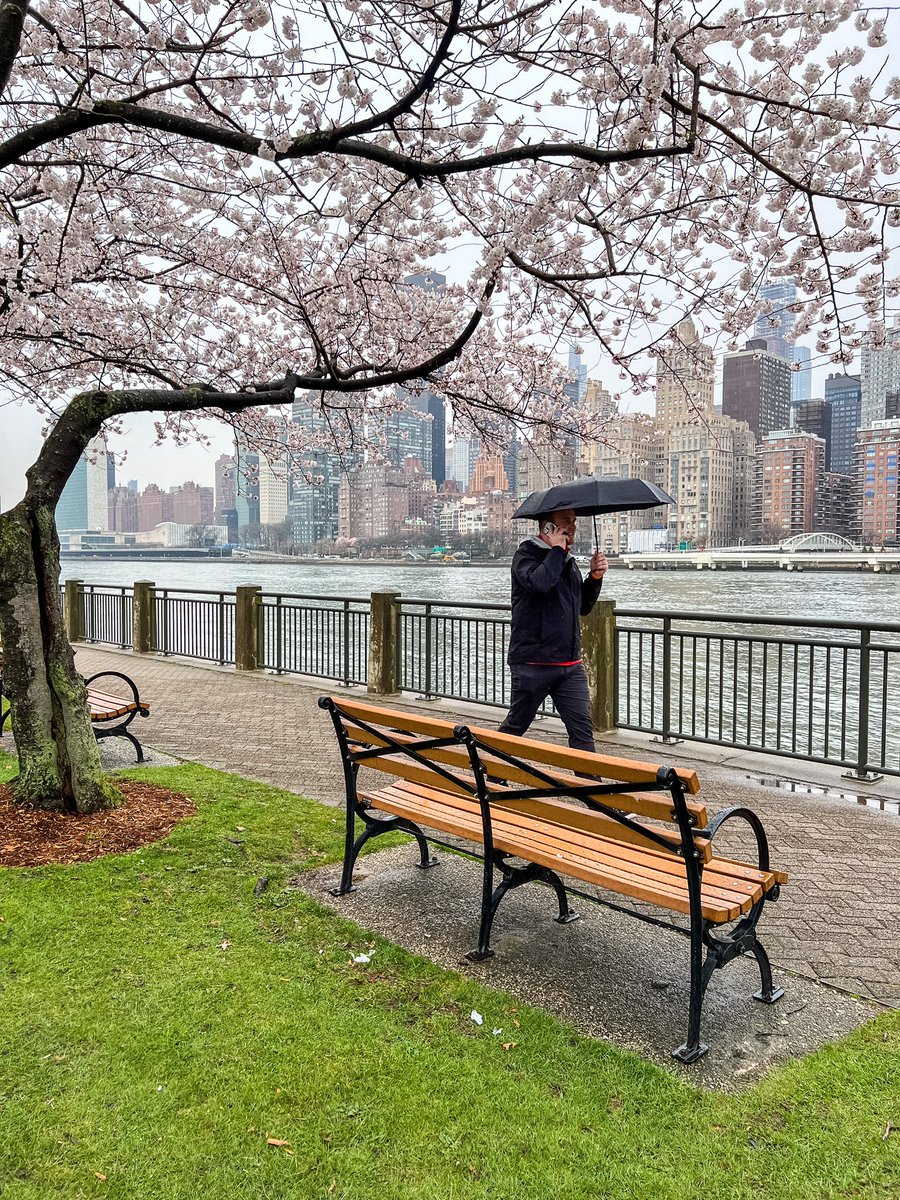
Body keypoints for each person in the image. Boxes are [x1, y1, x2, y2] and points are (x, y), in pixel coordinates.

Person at [498, 508, 608, 751]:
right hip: (533, 663)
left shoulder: (567, 561)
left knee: (582, 731)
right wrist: (557, 551)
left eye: (574, 521)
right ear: (547, 527)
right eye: (566, 521)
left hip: (569, 665)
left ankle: (587, 776)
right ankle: (489, 769)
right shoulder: (526, 555)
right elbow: (539, 584)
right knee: (515, 726)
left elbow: (582, 607)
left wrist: (594, 578)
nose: (573, 526)